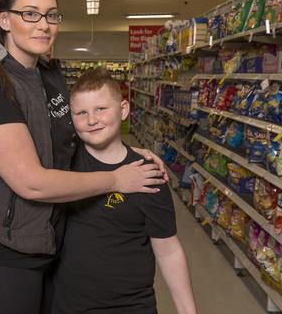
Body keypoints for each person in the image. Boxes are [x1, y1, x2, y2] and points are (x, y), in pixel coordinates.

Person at [0, 0, 167, 314]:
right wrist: (116, 179)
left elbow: (66, 145)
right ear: (5, 20)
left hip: (44, 243)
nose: (44, 25)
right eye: (30, 14)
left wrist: (125, 155)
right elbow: (31, 182)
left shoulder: (48, 76)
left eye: (52, 15)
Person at [52, 68, 198, 314]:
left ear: (124, 110)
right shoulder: (63, 162)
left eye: (101, 109)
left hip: (130, 305)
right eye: (81, 112)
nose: (92, 120)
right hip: (68, 304)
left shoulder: (148, 173)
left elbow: (168, 250)